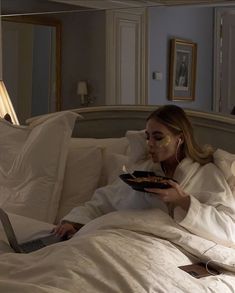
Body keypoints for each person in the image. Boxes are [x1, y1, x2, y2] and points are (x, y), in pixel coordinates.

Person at [53, 105, 235, 244]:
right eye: (148, 136)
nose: (150, 143)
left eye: (158, 137)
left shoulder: (204, 173)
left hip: (165, 248)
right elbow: (103, 202)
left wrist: (183, 201)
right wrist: (74, 222)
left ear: (180, 139)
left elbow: (229, 228)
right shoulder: (143, 172)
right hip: (119, 239)